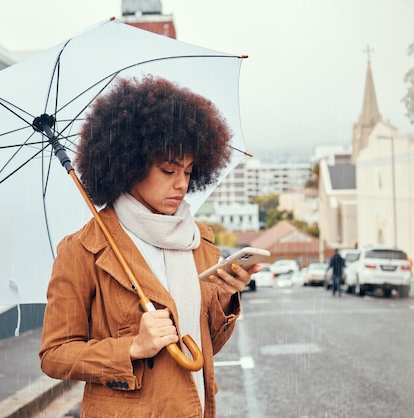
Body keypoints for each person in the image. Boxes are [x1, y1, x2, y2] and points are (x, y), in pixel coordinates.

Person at [38, 76, 260, 418]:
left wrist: (227, 298)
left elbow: (203, 348)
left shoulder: (199, 241)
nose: (182, 183)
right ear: (130, 165)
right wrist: (131, 347)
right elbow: (54, 355)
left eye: (188, 170)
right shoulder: (82, 250)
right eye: (168, 169)